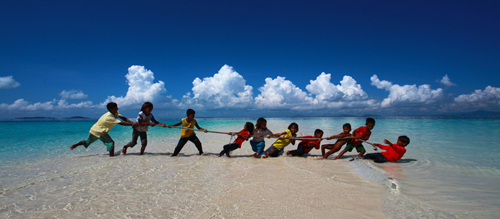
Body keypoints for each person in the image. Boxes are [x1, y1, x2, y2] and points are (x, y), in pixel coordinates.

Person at [69, 102, 133, 157]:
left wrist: (131, 122)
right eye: (116, 108)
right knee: (110, 142)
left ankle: (74, 145)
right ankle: (111, 157)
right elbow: (121, 123)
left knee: (88, 141)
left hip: (93, 130)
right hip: (100, 132)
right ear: (111, 109)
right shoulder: (109, 117)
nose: (117, 108)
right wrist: (133, 124)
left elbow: (123, 118)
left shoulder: (115, 113)